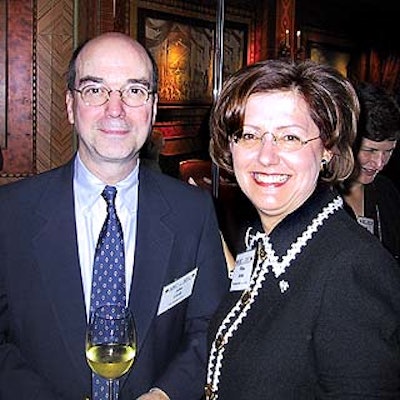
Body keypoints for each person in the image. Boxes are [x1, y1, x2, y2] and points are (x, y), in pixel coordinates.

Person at [0, 32, 229, 400]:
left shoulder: (194, 212)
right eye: (95, 90)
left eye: (134, 91)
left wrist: (166, 394)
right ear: (71, 105)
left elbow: (209, 327)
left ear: (152, 108)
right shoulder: (9, 214)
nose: (115, 109)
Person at [204, 59, 400, 399]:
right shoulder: (261, 241)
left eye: (290, 137)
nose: (266, 156)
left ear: (327, 149)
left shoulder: (353, 267)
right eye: (249, 135)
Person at [338, 82, 400, 263]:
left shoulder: (387, 192)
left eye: (389, 151)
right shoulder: (315, 194)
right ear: (345, 140)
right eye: (370, 150)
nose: (380, 163)